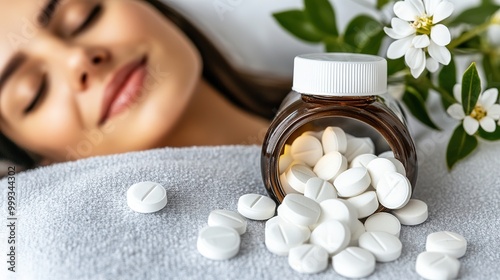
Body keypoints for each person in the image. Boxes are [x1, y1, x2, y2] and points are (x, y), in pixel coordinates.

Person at [0, 0, 291, 170]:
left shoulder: (333, 98)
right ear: (42, 159)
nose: (79, 59)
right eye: (34, 92)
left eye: (84, 16)